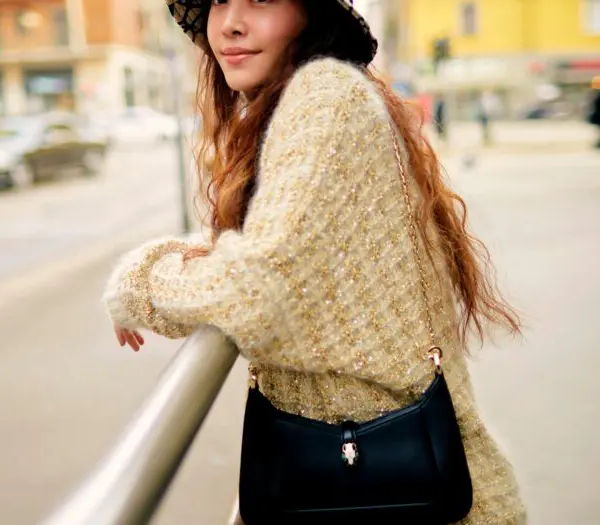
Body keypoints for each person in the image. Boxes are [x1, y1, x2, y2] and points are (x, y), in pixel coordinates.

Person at [103, 0, 526, 523]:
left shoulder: (325, 94)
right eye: (218, 1)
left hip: (405, 494)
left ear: (309, 11)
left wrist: (141, 282)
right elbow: (274, 245)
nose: (230, 23)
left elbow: (252, 289)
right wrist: (169, 255)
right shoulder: (316, 96)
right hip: (378, 483)